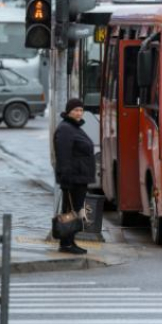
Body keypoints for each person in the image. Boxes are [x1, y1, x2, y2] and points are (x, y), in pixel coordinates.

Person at [53, 98, 94, 255]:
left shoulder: (73, 127)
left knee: (73, 211)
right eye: (75, 110)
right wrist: (65, 179)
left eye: (81, 110)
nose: (78, 113)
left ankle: (69, 242)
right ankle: (67, 243)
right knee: (71, 211)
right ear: (69, 111)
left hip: (79, 178)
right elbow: (63, 155)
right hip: (72, 179)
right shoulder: (66, 129)